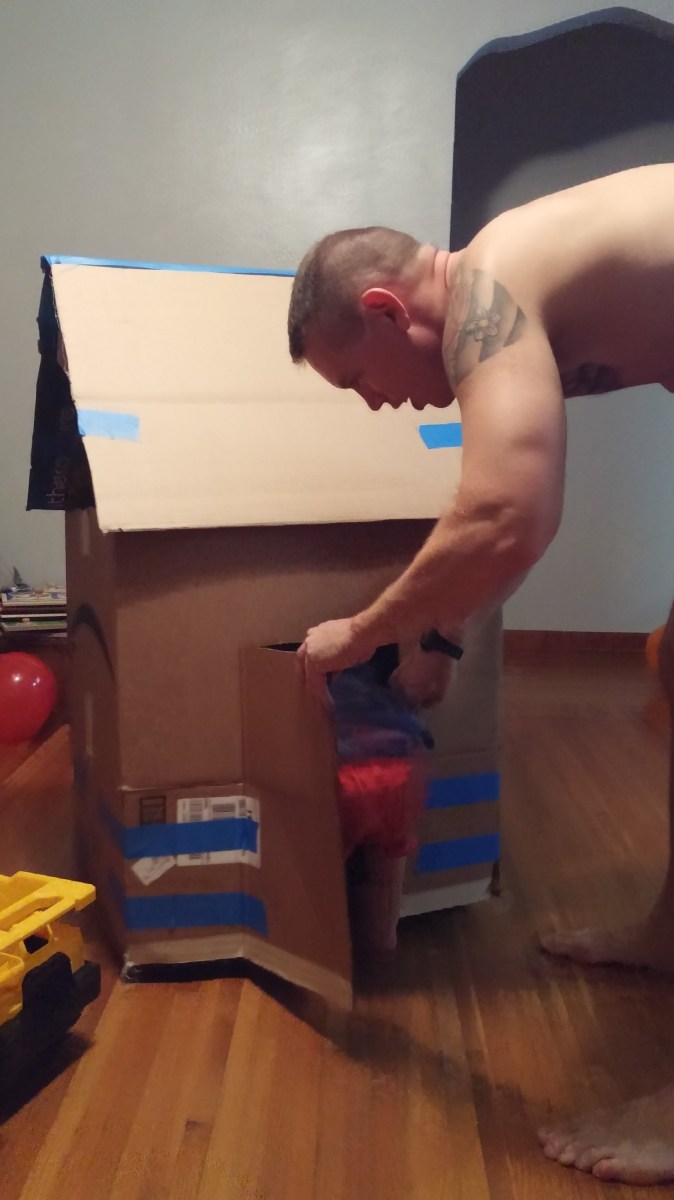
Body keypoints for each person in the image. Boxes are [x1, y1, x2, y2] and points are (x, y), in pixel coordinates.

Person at [287, 162, 674, 1187]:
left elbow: (507, 510)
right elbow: (513, 512)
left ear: (386, 310)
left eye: (356, 379)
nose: (375, 404)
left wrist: (359, 631)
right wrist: (442, 638)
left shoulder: (487, 286)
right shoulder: (509, 285)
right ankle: (670, 930)